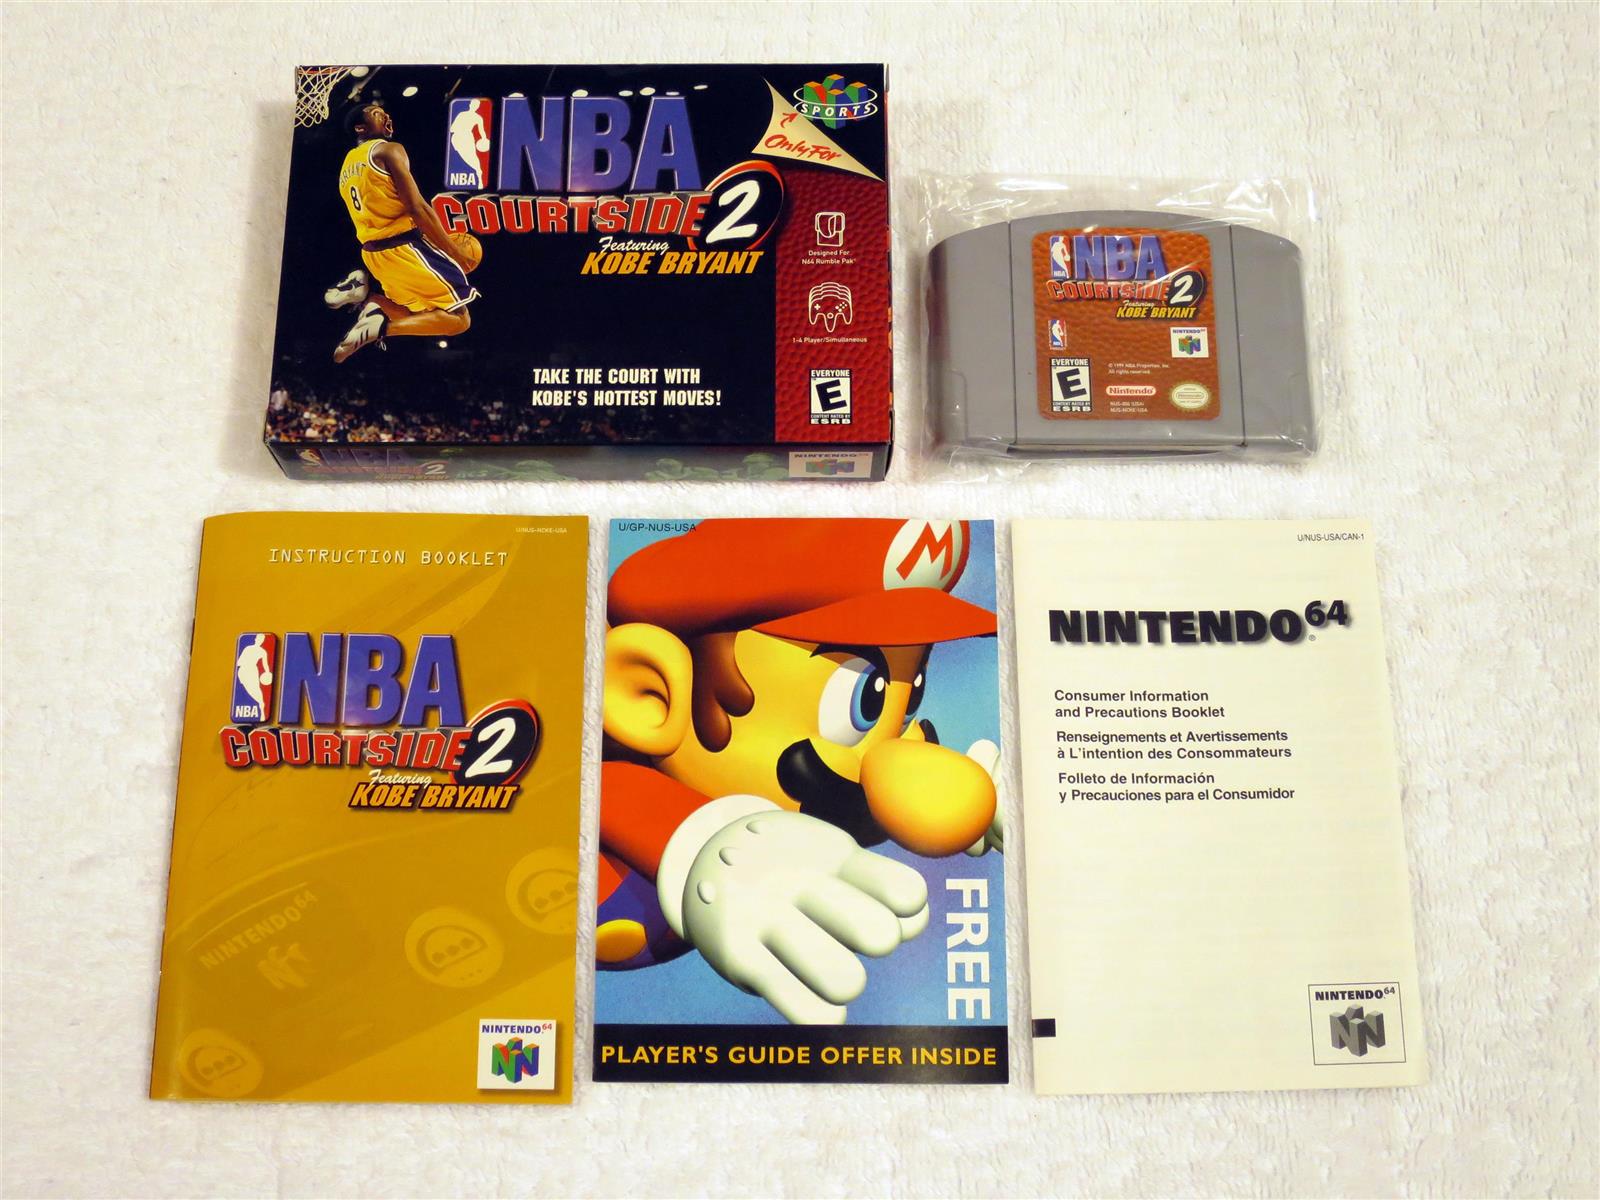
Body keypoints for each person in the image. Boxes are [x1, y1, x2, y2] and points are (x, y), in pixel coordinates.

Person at [597, 519, 1003, 1023]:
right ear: (649, 697)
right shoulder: (588, 786)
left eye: (911, 694)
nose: (893, 760)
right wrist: (704, 843)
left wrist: (970, 794)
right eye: (864, 700)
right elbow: (600, 794)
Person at [329, 102, 478, 362]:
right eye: (377, 113)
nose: (386, 115)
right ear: (360, 128)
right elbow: (417, 207)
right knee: (459, 319)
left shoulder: (347, 164)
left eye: (385, 112)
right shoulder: (389, 149)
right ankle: (379, 328)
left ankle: (366, 297)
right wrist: (454, 251)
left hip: (373, 254)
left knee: (418, 317)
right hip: (403, 246)